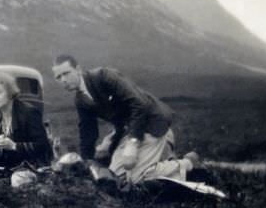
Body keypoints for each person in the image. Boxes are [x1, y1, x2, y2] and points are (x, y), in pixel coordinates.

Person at [51, 54, 201, 186]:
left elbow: (139, 104)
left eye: (66, 73)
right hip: (130, 131)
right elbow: (88, 132)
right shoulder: (80, 100)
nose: (63, 80)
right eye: (58, 77)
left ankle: (187, 163)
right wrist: (86, 163)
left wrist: (133, 143)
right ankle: (163, 160)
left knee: (134, 178)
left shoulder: (104, 76)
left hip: (152, 124)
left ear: (78, 69)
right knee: (115, 176)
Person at [0, 71, 53, 172]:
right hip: (3, 168)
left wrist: (14, 146)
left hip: (30, 167)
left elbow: (43, 146)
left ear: (10, 93)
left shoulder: (28, 112)